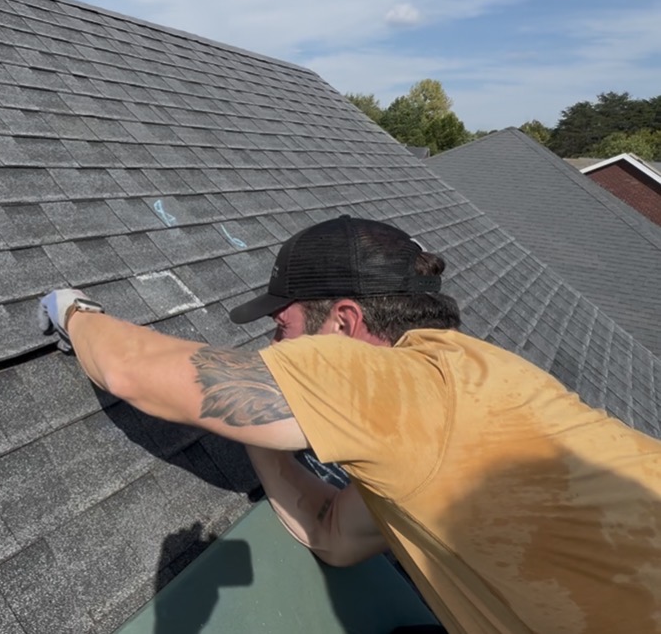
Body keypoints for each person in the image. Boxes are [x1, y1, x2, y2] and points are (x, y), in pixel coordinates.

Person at [37, 215, 661, 633]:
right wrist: (256, 434)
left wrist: (71, 309)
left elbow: (128, 370)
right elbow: (334, 536)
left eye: (280, 327)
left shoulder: (401, 389)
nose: (271, 343)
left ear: (342, 322)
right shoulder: (467, 392)